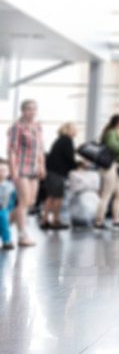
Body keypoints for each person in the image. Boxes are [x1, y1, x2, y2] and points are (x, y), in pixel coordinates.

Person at [7, 100, 44, 247]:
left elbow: (40, 148)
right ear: (22, 111)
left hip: (34, 168)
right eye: (28, 109)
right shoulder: (17, 127)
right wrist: (13, 171)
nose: (31, 112)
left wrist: (42, 166)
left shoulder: (38, 126)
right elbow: (11, 151)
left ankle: (4, 225)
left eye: (34, 109)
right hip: (21, 168)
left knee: (31, 202)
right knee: (23, 202)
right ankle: (22, 236)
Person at [94, 114, 119, 229]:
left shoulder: (117, 133)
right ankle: (99, 221)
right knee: (107, 193)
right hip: (109, 166)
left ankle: (116, 220)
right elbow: (113, 147)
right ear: (118, 122)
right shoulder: (112, 132)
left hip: (116, 166)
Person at [43, 122, 79, 229]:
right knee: (57, 197)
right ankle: (55, 220)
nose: (76, 131)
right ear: (68, 130)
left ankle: (46, 220)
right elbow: (69, 158)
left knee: (51, 196)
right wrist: (77, 166)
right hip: (57, 172)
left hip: (52, 171)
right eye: (74, 129)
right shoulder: (67, 141)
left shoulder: (60, 140)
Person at [0, 160, 16, 250]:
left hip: (4, 209)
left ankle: (6, 240)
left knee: (4, 222)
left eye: (4, 170)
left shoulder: (11, 186)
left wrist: (10, 209)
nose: (1, 172)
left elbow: (13, 199)